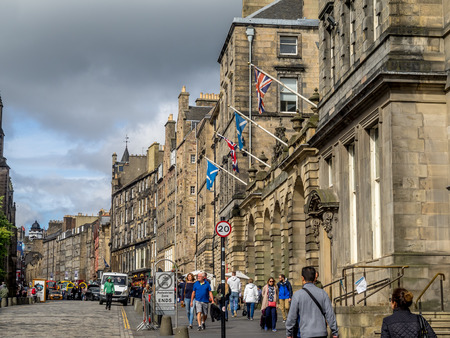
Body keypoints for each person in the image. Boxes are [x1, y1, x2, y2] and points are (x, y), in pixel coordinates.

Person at [286, 266, 338, 338]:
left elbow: (292, 317)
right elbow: (330, 314)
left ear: (302, 278)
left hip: (305, 333)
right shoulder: (323, 293)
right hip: (321, 333)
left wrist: (289, 333)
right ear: (314, 278)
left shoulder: (297, 295)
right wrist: (334, 331)